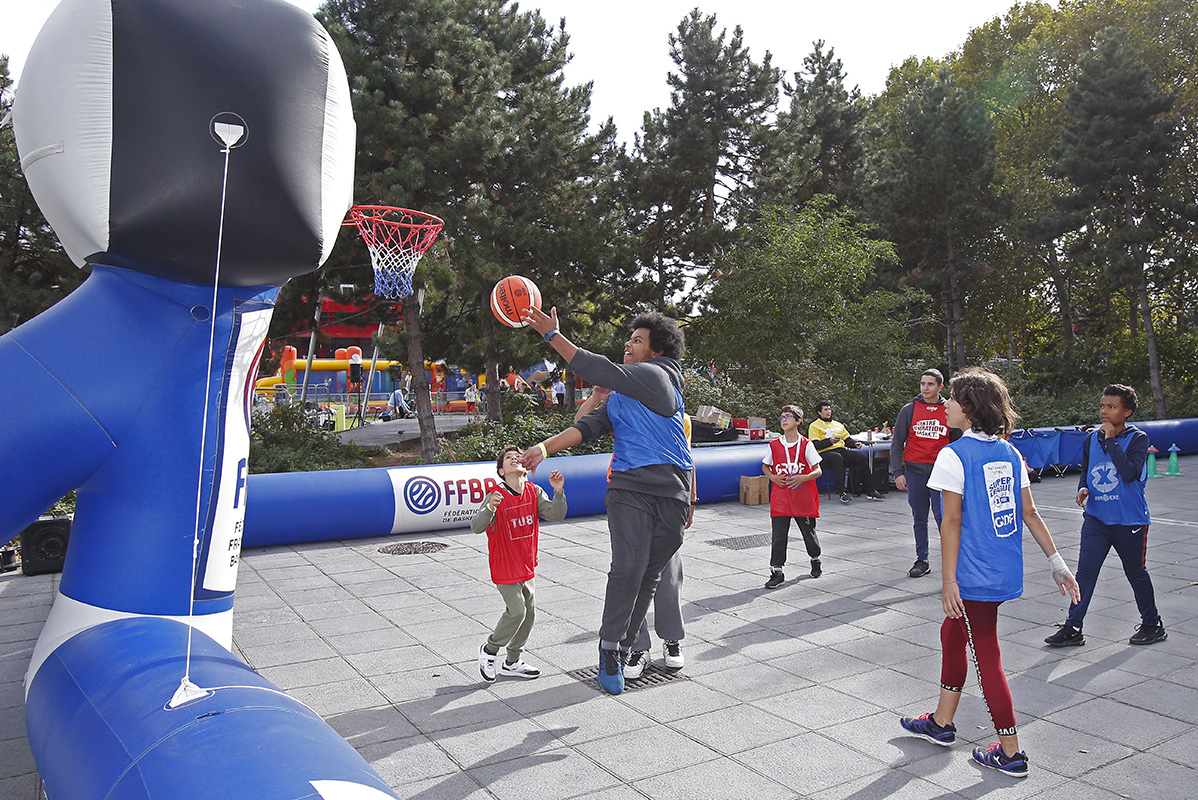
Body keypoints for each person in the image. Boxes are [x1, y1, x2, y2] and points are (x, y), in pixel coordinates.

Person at [900, 368, 1079, 779]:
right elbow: (1029, 513)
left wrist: (948, 582)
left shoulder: (953, 454)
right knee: (951, 634)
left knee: (986, 655)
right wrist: (1058, 564)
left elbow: (951, 521)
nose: (944, 404)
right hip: (1001, 568)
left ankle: (1011, 751)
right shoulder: (1009, 452)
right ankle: (942, 724)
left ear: (970, 408)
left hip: (972, 575)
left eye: (952, 399)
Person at [520, 308, 693, 695]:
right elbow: (586, 426)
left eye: (636, 340)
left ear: (656, 350)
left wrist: (554, 336)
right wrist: (543, 448)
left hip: (672, 489)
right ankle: (610, 648)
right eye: (628, 339)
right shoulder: (622, 399)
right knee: (629, 567)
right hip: (630, 488)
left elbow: (600, 368)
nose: (628, 345)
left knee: (651, 574)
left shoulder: (658, 375)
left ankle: (623, 644)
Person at [573, 389, 696, 677]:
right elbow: (580, 425)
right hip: (630, 499)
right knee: (631, 575)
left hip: (667, 499)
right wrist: (596, 397)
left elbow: (687, 458)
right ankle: (637, 647)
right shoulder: (621, 405)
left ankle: (672, 639)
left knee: (668, 576)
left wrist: (691, 500)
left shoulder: (674, 411)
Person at [1044, 384, 1165, 648]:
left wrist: (1110, 441)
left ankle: (1152, 624)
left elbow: (1130, 473)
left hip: (1129, 521)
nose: (1104, 412)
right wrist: (1083, 487)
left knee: (1135, 572)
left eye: (1112, 407)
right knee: (1085, 572)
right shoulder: (1092, 438)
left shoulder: (1138, 439)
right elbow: (1088, 469)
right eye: (1102, 406)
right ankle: (1073, 627)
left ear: (1128, 412)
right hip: (1097, 519)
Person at [471, 445, 567, 683]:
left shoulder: (534, 492)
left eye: (518, 456)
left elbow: (556, 515)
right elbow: (476, 526)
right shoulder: (496, 495)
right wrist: (490, 508)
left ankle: (512, 661)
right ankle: (490, 650)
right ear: (502, 472)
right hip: (505, 566)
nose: (515, 459)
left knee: (530, 613)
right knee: (517, 611)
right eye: (508, 458)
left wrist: (558, 492)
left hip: (526, 565)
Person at [890, 369, 958, 577]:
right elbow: (896, 444)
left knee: (943, 518)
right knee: (919, 517)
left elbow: (957, 444)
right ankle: (922, 559)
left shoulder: (948, 409)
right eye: (922, 384)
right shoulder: (909, 410)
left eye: (930, 384)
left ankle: (951, 564)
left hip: (942, 474)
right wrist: (898, 472)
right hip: (915, 472)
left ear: (940, 387)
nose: (925, 388)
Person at [763, 405, 824, 588]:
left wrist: (803, 477)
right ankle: (777, 571)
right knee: (779, 536)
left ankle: (815, 558)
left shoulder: (806, 444)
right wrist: (773, 476)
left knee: (808, 534)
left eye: (788, 416)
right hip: (781, 498)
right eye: (782, 416)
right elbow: (766, 466)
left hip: (801, 498)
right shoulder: (774, 445)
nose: (784, 419)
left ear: (798, 421)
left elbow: (818, 470)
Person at [808, 401, 884, 504]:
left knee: (861, 457)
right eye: (825, 409)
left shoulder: (838, 425)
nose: (828, 411)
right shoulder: (814, 426)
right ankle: (842, 492)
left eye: (829, 409)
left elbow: (847, 440)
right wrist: (829, 442)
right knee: (836, 457)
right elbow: (815, 445)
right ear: (819, 412)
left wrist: (855, 444)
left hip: (841, 451)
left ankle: (871, 490)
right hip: (824, 454)